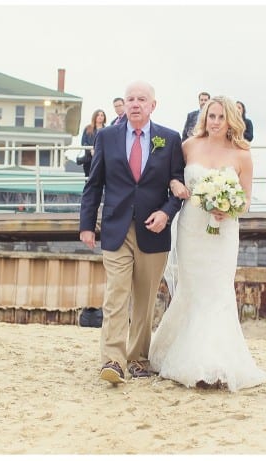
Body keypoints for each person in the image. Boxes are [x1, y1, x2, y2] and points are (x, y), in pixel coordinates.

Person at [149, 95, 266, 391]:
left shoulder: (242, 154)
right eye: (211, 116)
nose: (215, 122)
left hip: (224, 232)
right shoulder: (188, 147)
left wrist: (230, 208)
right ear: (204, 118)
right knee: (193, 289)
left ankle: (216, 362)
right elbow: (170, 178)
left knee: (217, 291)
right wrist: (175, 184)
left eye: (220, 117)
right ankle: (187, 357)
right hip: (192, 229)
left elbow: (247, 200)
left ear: (231, 121)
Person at [78, 81, 184, 384]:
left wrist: (166, 213)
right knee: (116, 295)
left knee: (145, 300)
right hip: (116, 228)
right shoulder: (107, 136)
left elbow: (177, 186)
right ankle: (112, 359)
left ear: (153, 105)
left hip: (154, 232)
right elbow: (94, 183)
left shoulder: (170, 139)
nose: (135, 104)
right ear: (123, 105)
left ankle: (138, 358)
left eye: (141, 99)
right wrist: (87, 225)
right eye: (130, 99)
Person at [79, 109, 107, 177]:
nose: (100, 117)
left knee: (100, 178)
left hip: (101, 159)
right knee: (88, 178)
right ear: (95, 117)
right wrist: (91, 149)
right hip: (89, 159)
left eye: (102, 115)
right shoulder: (88, 128)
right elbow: (83, 142)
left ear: (104, 117)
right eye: (98, 115)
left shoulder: (107, 130)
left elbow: (107, 144)